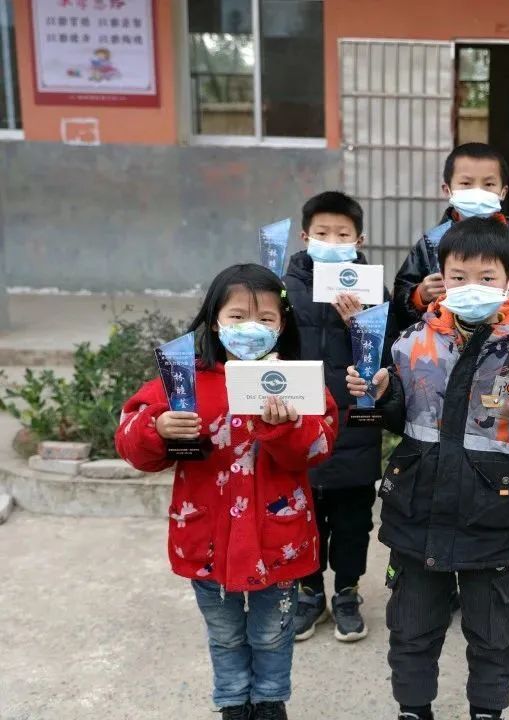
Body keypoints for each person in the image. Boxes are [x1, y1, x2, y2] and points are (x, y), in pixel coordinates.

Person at [347, 217, 509, 720]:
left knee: (495, 632)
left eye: (486, 277)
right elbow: (401, 419)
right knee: (411, 627)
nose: (471, 286)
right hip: (417, 509)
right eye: (458, 276)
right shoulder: (411, 341)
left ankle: (487, 711)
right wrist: (381, 397)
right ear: (441, 277)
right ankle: (413, 708)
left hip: (494, 513)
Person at [115, 264, 338, 720]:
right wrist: (158, 427)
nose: (251, 328)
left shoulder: (296, 382)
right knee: (224, 634)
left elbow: (318, 447)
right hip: (207, 539)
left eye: (265, 318)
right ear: (215, 320)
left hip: (278, 539)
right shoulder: (184, 381)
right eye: (237, 316)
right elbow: (132, 443)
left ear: (283, 324)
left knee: (273, 634)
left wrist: (286, 428)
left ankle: (270, 702)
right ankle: (233, 703)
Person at [284, 191, 397, 643]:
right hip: (300, 424)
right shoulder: (283, 289)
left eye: (342, 234)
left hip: (354, 426)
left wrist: (360, 324)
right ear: (305, 236)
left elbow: (391, 360)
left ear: (359, 240)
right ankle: (309, 593)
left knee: (353, 522)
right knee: (303, 518)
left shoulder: (372, 290)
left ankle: (347, 593)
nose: (332, 242)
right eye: (323, 233)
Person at [391, 142, 509, 331]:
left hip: (503, 345)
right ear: (447, 190)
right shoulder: (431, 244)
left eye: (489, 184)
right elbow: (397, 305)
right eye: (466, 184)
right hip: (443, 342)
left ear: (503, 192)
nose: (477, 191)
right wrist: (419, 296)